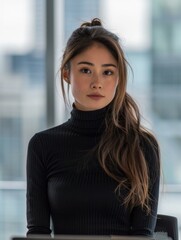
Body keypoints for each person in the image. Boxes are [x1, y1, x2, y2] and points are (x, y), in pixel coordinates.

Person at [26, 18, 160, 237]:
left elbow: (142, 234)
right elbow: (37, 231)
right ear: (66, 74)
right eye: (86, 70)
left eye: (107, 72)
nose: (97, 82)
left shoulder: (142, 146)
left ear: (118, 79)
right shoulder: (42, 145)